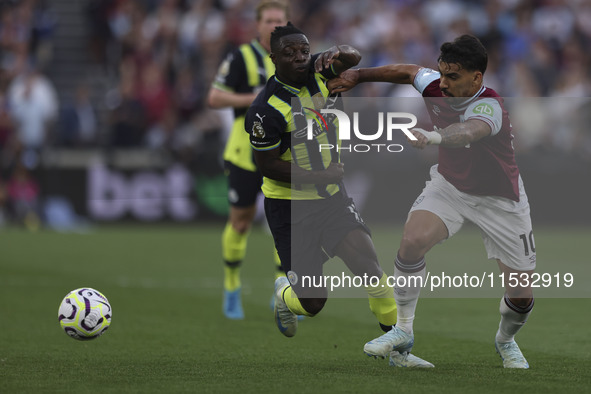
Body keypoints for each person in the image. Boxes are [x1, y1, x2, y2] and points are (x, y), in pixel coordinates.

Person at [329, 34, 536, 369]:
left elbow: (470, 131)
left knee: (522, 295)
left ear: (476, 78)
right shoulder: (436, 85)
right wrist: (359, 75)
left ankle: (506, 340)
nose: (443, 82)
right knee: (412, 242)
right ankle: (403, 332)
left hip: (501, 199)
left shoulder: (490, 105)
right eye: (442, 73)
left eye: (452, 76)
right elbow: (407, 71)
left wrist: (434, 137)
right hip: (451, 186)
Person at [245, 22, 433, 368]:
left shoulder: (321, 70)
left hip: (332, 198)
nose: (300, 57)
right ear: (274, 58)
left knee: (370, 266)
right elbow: (268, 165)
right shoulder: (265, 109)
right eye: (290, 53)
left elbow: (353, 57)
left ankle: (399, 353)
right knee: (313, 303)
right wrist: (318, 174)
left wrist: (340, 52)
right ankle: (285, 295)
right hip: (290, 209)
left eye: (304, 50)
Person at [207, 1, 289, 320]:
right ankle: (231, 288)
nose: (273, 25)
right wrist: (254, 99)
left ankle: (281, 291)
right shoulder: (241, 57)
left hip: (281, 153)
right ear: (257, 25)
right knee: (240, 222)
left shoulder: (295, 59)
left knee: (283, 223)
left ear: (287, 24)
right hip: (244, 154)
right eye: (268, 20)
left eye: (278, 20)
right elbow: (214, 97)